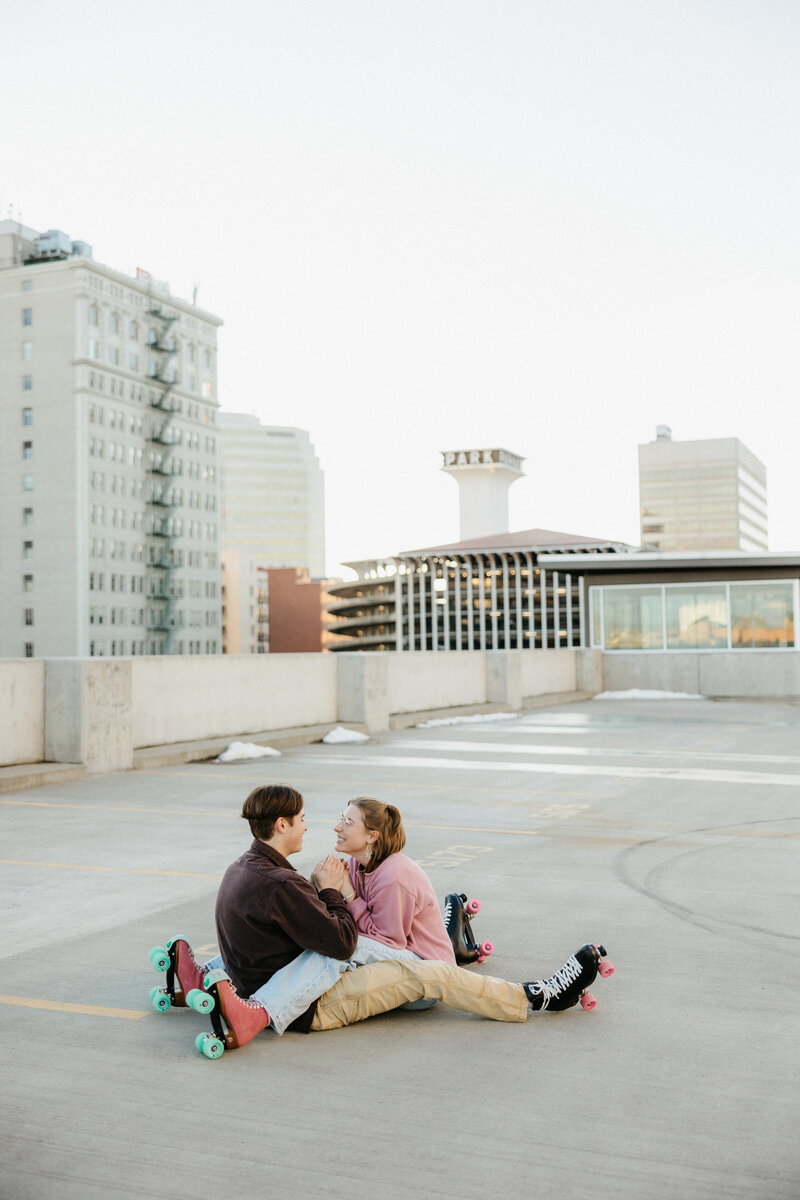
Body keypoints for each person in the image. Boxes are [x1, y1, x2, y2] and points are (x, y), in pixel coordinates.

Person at [158, 784, 614, 1058]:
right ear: (280, 825)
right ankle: (538, 997)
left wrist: (330, 897)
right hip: (311, 1003)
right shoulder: (283, 882)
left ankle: (199, 980)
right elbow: (341, 942)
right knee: (431, 976)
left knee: (420, 965)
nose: (312, 827)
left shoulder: (245, 866)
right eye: (301, 820)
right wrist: (332, 894)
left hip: (281, 980)